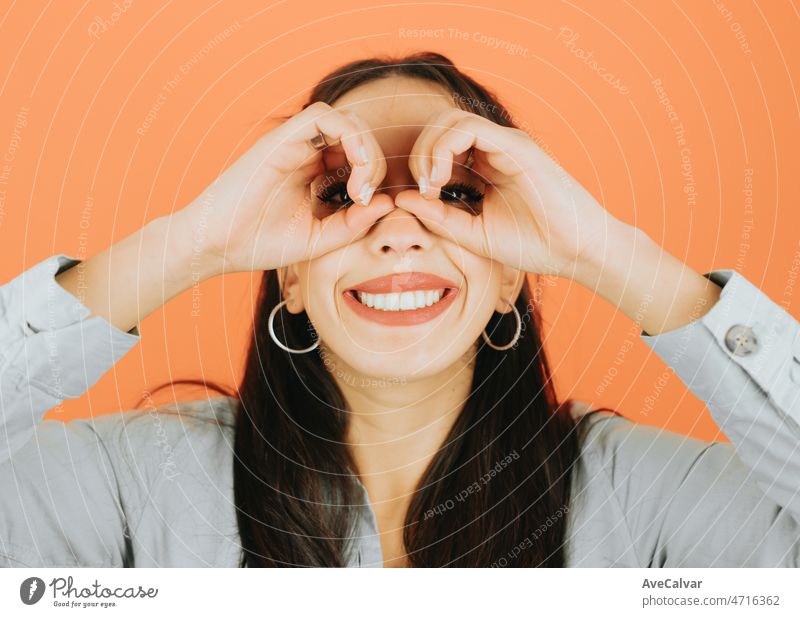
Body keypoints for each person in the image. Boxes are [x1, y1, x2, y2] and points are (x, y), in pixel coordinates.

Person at [0, 52, 798, 568]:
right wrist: (194, 241)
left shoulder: (645, 496)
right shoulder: (130, 485)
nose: (397, 235)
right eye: (340, 195)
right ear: (290, 282)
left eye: (455, 194)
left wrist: (602, 248)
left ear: (514, 277)